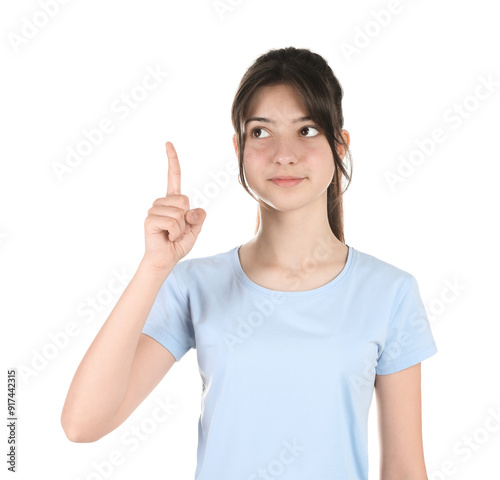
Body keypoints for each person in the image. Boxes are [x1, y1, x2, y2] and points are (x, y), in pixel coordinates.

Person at [61, 46, 438, 479]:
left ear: (340, 146)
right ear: (239, 147)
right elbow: (82, 423)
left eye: (307, 130)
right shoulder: (195, 284)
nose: (284, 154)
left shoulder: (390, 292)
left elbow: (406, 469)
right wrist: (153, 267)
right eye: (261, 132)